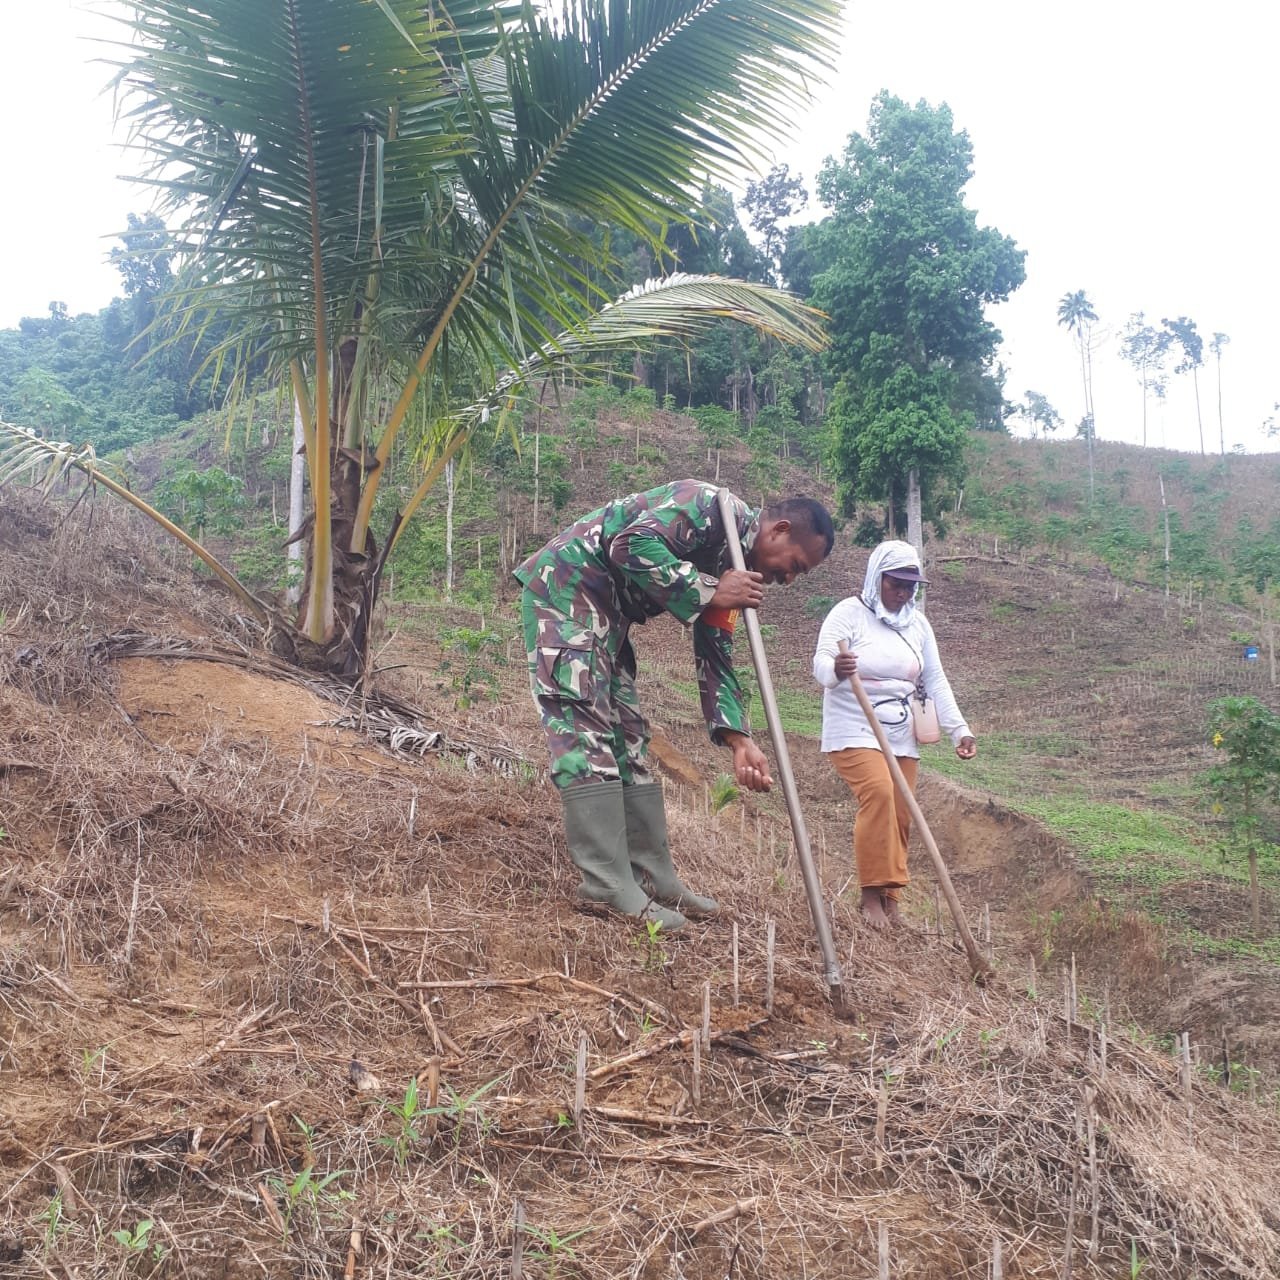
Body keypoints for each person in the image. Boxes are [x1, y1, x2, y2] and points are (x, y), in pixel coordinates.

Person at [516, 479, 835, 933]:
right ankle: (606, 885)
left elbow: (716, 652)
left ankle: (651, 876)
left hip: (609, 618)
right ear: (779, 530)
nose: (788, 579)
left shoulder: (735, 568)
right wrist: (707, 589)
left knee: (629, 735)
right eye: (796, 566)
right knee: (585, 730)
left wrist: (739, 739)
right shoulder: (708, 504)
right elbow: (630, 544)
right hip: (568, 592)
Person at [812, 540, 976, 929]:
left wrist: (959, 730)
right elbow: (820, 664)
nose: (902, 593)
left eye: (909, 586)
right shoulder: (848, 614)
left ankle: (891, 898)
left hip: (902, 728)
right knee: (880, 793)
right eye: (895, 583)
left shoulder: (918, 625)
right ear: (876, 579)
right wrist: (837, 668)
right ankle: (870, 894)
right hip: (854, 723)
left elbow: (935, 678)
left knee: (903, 810)